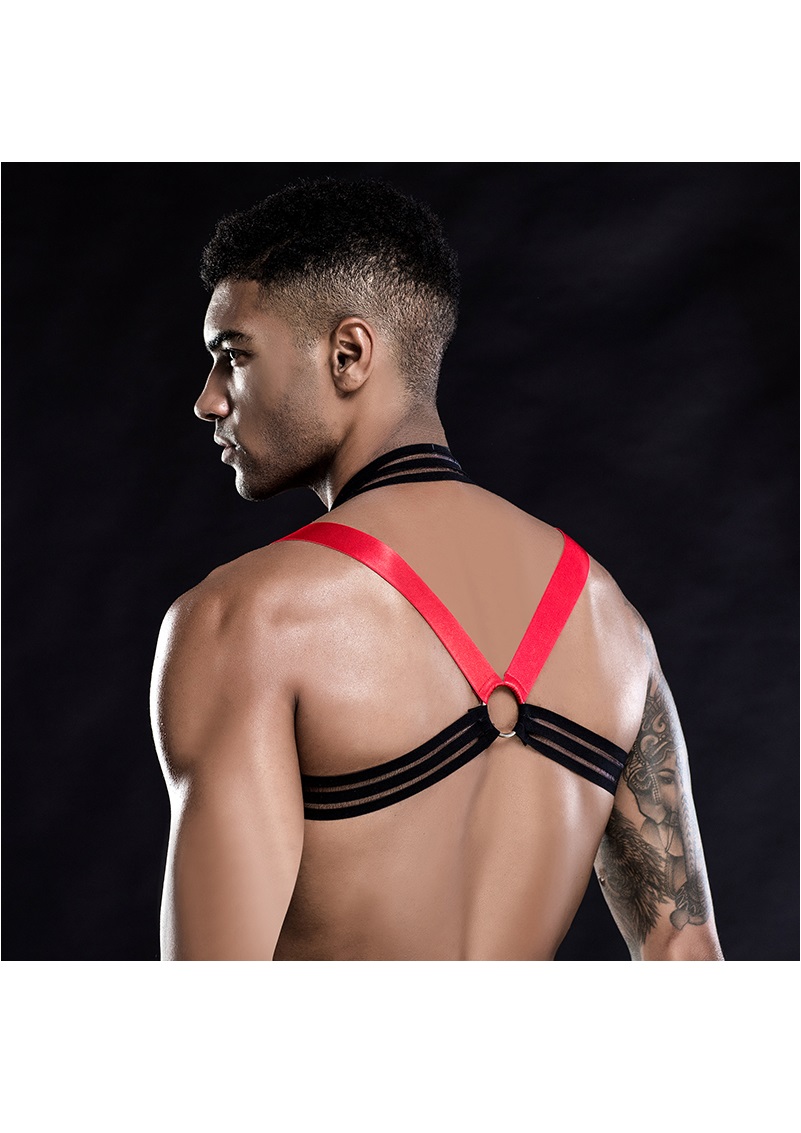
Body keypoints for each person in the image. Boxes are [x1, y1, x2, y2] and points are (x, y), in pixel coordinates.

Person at [150, 178, 724, 961]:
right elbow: (688, 959)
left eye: (232, 356)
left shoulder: (249, 619)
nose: (208, 400)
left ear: (348, 355)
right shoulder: (612, 623)